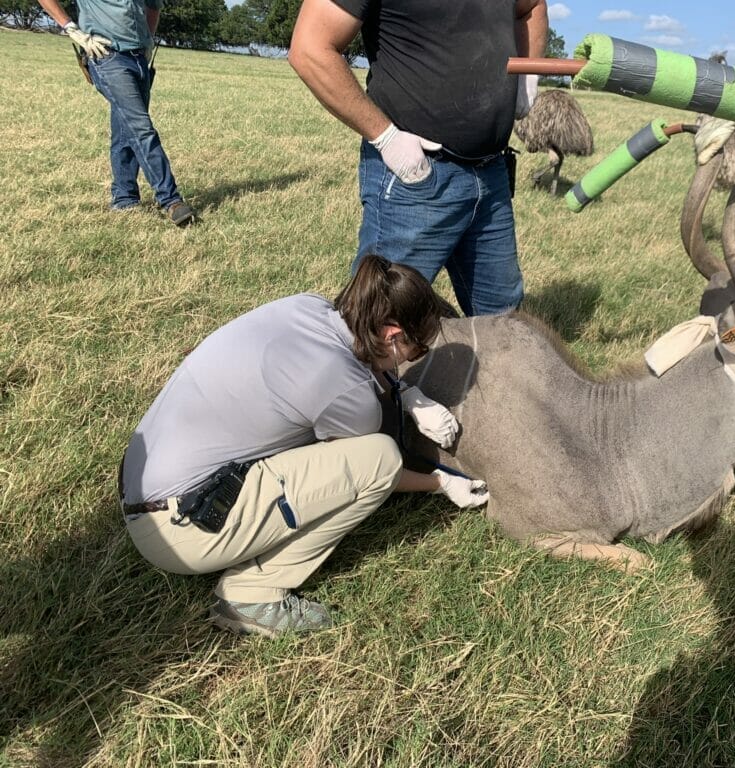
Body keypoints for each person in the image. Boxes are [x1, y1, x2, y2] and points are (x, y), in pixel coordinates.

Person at [119, 255, 489, 637]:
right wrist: (441, 483)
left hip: (143, 485)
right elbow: (374, 473)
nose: (415, 359)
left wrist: (405, 392)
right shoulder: (347, 391)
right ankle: (250, 595)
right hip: (181, 530)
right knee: (379, 458)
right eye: (418, 350)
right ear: (393, 336)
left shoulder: (308, 306)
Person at [288, 0, 548, 316]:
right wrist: (386, 137)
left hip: (491, 176)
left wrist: (529, 70)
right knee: (381, 319)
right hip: (415, 175)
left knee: (503, 318)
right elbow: (310, 49)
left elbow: (531, 6)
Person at [36, 0, 196, 226]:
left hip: (139, 58)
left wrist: (148, 40)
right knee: (141, 129)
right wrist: (71, 28)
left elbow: (153, 6)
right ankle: (171, 200)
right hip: (105, 55)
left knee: (125, 129)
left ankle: (124, 198)